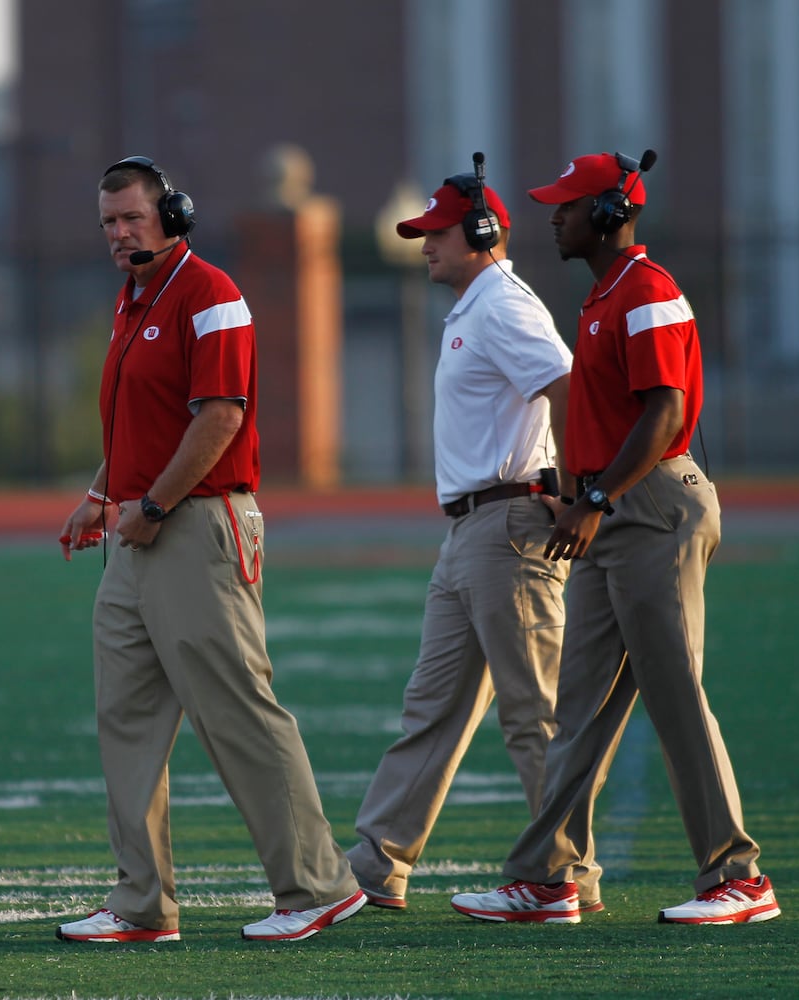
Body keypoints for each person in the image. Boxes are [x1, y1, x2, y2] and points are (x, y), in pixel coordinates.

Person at [450, 152, 778, 925]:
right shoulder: (604, 297)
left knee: (673, 694)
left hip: (650, 505)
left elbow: (663, 414)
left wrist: (593, 496)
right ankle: (546, 877)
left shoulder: (648, 292)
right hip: (612, 511)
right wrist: (582, 497)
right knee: (580, 704)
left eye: (566, 206)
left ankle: (739, 877)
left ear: (606, 212)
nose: (552, 217)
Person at [57, 156, 364, 944]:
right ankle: (141, 904)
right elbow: (143, 425)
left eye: (130, 217)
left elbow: (219, 418)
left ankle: (316, 885)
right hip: (139, 529)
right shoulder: (133, 301)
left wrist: (152, 504)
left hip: (194, 524)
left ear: (172, 215)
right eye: (108, 222)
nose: (119, 234)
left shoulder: (212, 296)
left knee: (236, 709)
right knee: (123, 718)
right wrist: (102, 495)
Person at [346, 166, 606, 911]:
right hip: (469, 531)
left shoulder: (501, 306)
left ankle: (561, 875)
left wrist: (578, 489)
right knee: (431, 708)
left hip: (508, 526)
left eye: (435, 232)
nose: (424, 244)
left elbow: (565, 385)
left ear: (481, 234)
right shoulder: (473, 306)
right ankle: (377, 863)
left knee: (535, 712)